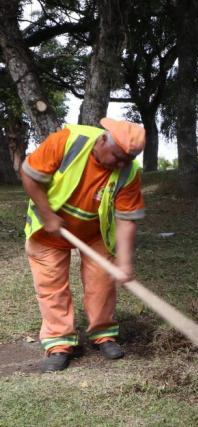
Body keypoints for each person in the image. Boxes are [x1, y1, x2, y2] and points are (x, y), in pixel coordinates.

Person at [21, 118, 145, 372]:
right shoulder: (67, 141)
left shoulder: (129, 171)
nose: (120, 165)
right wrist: (46, 214)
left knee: (102, 283)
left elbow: (126, 219)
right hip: (49, 229)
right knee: (51, 285)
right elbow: (29, 174)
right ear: (102, 140)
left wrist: (124, 261)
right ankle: (59, 343)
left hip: (94, 232)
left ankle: (104, 334)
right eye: (117, 157)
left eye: (127, 160)